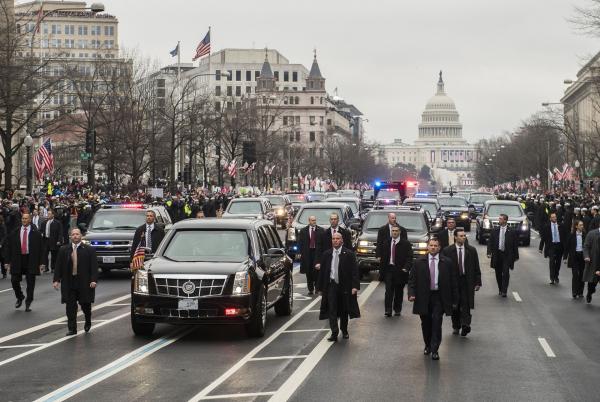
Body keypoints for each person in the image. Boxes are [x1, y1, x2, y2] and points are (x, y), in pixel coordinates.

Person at [408, 237, 458, 361]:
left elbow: (453, 282)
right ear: (428, 247)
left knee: (436, 321)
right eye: (431, 245)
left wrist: (455, 300)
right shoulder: (419, 262)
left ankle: (435, 349)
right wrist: (411, 294)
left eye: (436, 246)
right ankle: (428, 345)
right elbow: (412, 280)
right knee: (426, 323)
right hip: (423, 296)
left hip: (439, 297)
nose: (433, 247)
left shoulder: (447, 262)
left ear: (439, 247)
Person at [53, 228, 98, 336]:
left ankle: (88, 320)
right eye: (73, 234)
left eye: (77, 234)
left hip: (84, 282)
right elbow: (58, 266)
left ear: (81, 236)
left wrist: (93, 280)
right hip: (69, 282)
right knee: (70, 306)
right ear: (70, 237)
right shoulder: (64, 250)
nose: (75, 236)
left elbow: (94, 267)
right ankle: (72, 329)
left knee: (85, 305)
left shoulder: (89, 250)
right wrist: (56, 280)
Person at [317, 232, 360, 342]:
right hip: (331, 285)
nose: (335, 240)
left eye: (337, 238)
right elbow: (322, 272)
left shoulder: (349, 254)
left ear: (342, 241)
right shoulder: (327, 254)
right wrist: (320, 288)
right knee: (332, 309)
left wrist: (355, 286)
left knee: (344, 309)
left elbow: (354, 271)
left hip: (344, 286)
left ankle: (344, 330)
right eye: (333, 238)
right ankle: (334, 332)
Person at [442, 228, 481, 336]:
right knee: (455, 304)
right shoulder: (447, 251)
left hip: (466, 280)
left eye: (464, 236)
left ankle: (465, 325)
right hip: (453, 281)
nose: (463, 237)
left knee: (466, 303)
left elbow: (476, 267)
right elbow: (444, 268)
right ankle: (456, 326)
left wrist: (478, 281)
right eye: (461, 236)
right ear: (455, 237)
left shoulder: (471, 250)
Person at [3, 213, 43, 311]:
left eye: (26, 218)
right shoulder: (15, 232)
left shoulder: (36, 233)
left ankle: (28, 302)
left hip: (31, 259)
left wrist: (42, 263)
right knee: (14, 280)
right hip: (18, 259)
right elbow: (8, 247)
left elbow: (41, 249)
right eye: (23, 218)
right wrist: (7, 261)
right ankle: (20, 297)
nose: (24, 220)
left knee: (30, 283)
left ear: (30, 220)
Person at [380, 225, 413, 316]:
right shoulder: (386, 242)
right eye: (393, 231)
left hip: (400, 270)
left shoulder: (405, 244)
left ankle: (397, 309)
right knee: (389, 290)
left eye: (396, 231)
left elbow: (409, 257)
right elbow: (383, 258)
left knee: (399, 291)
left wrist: (406, 268)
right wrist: (381, 271)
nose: (394, 232)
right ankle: (388, 309)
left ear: (399, 232)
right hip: (389, 269)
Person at [487, 214, 519, 297]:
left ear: (505, 220)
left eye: (501, 219)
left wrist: (516, 256)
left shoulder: (512, 231)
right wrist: (489, 252)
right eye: (499, 219)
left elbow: (515, 244)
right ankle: (500, 289)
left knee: (505, 272)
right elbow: (490, 242)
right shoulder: (495, 230)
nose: (499, 220)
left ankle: (504, 291)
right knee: (498, 273)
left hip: (507, 255)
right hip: (497, 254)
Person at [298, 216, 325, 295]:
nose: (314, 222)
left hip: (317, 253)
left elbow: (323, 243)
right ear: (309, 221)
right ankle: (310, 288)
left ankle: (317, 287)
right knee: (308, 271)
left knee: (317, 271)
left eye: (315, 220)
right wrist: (300, 253)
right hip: (307, 253)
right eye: (312, 220)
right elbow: (301, 243)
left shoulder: (321, 231)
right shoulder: (303, 231)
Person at [539, 212, 567, 285]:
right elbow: (543, 238)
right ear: (550, 218)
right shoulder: (547, 227)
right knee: (552, 262)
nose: (555, 218)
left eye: (555, 217)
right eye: (553, 217)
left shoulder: (561, 226)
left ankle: (556, 276)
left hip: (559, 246)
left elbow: (565, 237)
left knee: (558, 263)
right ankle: (552, 278)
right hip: (551, 246)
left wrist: (566, 247)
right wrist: (540, 248)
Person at [564, 220, 586, 299]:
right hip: (574, 256)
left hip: (582, 257)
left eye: (582, 225)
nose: (582, 226)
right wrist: (565, 257)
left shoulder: (585, 235)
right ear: (576, 226)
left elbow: (588, 246)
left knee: (582, 275)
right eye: (580, 225)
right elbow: (567, 247)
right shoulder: (571, 235)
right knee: (575, 274)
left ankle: (580, 292)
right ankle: (574, 292)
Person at [40, 209, 63, 273]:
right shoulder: (44, 223)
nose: (48, 215)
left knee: (54, 254)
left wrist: (59, 240)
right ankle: (46, 267)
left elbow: (60, 232)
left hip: (54, 240)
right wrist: (41, 235)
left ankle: (53, 267)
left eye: (50, 214)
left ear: (53, 215)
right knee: (45, 254)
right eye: (48, 214)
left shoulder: (57, 223)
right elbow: (41, 231)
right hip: (46, 240)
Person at [583, 221, 600, 304]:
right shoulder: (591, 234)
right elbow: (586, 246)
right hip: (594, 262)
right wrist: (586, 256)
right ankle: (590, 293)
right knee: (592, 283)